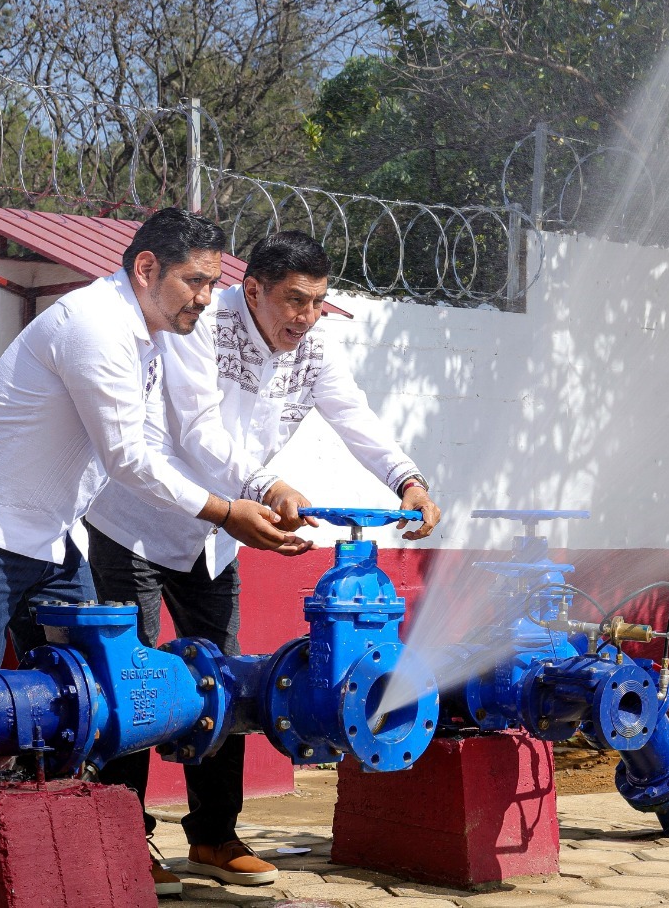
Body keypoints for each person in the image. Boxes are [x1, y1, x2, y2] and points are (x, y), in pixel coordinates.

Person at [84, 229, 441, 890]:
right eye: (293, 300)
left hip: (217, 538)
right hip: (135, 523)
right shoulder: (200, 327)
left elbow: (353, 414)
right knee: (129, 682)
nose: (304, 316)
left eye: (316, 302)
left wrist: (407, 481)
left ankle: (214, 837)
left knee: (226, 681)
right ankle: (124, 835)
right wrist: (267, 489)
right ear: (251, 289)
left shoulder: (311, 349)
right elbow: (198, 434)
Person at [0, 208, 292, 679]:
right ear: (147, 268)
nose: (204, 299)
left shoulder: (148, 336)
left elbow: (155, 443)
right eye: (194, 281)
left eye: (213, 284)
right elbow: (127, 460)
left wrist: (259, 486)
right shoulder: (96, 325)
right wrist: (225, 513)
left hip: (51, 539)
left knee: (87, 695)